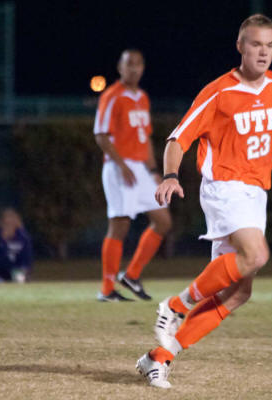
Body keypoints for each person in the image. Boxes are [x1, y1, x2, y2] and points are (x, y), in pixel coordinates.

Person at [135, 14, 272, 388]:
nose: (264, 52)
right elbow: (178, 139)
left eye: (270, 45)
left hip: (255, 194)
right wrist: (170, 175)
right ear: (240, 46)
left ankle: (159, 358)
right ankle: (174, 306)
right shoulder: (219, 92)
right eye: (256, 44)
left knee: (238, 293)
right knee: (256, 255)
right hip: (224, 187)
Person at [93, 49, 173, 302]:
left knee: (163, 221)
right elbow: (101, 135)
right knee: (120, 224)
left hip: (140, 168)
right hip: (119, 166)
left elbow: (145, 138)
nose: (134, 69)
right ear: (120, 67)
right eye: (129, 64)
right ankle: (107, 289)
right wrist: (121, 165)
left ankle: (131, 275)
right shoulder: (112, 95)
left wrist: (154, 172)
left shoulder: (142, 97)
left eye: (138, 64)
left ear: (143, 67)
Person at [0, 208, 33, 282]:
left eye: (12, 223)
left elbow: (27, 259)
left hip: (19, 272)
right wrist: (3, 241)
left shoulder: (23, 237)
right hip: (1, 274)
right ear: (1, 223)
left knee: (20, 280)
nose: (9, 226)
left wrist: (22, 271)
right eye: (6, 224)